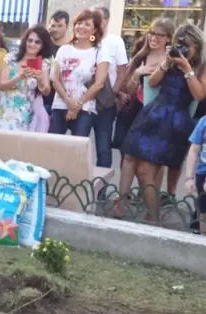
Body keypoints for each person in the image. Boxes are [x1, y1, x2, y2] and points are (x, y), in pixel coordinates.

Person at [116, 23, 206, 222]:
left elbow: (199, 94)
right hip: (154, 113)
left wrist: (187, 68)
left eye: (186, 45)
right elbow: (153, 82)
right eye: (179, 44)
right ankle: (144, 212)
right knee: (132, 157)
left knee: (146, 169)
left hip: (174, 121)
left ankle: (153, 217)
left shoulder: (201, 65)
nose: (182, 49)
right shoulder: (171, 60)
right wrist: (167, 62)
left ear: (197, 47)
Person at [49, 9, 110, 136]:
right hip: (60, 104)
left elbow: (99, 83)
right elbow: (55, 79)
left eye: (87, 24)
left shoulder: (100, 52)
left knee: (77, 149)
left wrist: (77, 105)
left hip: (85, 107)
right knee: (53, 146)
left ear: (94, 30)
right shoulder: (63, 50)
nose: (81, 27)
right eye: (79, 23)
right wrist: (68, 101)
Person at [0, 25, 52, 131]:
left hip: (24, 113)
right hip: (4, 108)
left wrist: (39, 79)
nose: (32, 44)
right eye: (30, 40)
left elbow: (46, 91)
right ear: (25, 41)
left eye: (37, 42)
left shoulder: (43, 63)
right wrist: (19, 77)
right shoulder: (11, 58)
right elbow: (2, 85)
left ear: (42, 45)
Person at [93, 6, 129, 170]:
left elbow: (122, 72)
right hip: (83, 101)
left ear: (106, 21)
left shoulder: (116, 42)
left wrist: (114, 92)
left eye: (96, 17)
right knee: (79, 144)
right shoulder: (86, 39)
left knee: (103, 146)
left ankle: (101, 190)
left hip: (106, 102)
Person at [45, 10, 70, 115]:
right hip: (43, 96)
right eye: (53, 25)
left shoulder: (71, 48)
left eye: (60, 26)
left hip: (62, 99)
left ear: (67, 26)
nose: (56, 29)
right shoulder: (43, 45)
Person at [184, 115, 206, 235]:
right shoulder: (204, 122)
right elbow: (194, 150)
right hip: (202, 173)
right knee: (203, 211)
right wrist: (189, 178)